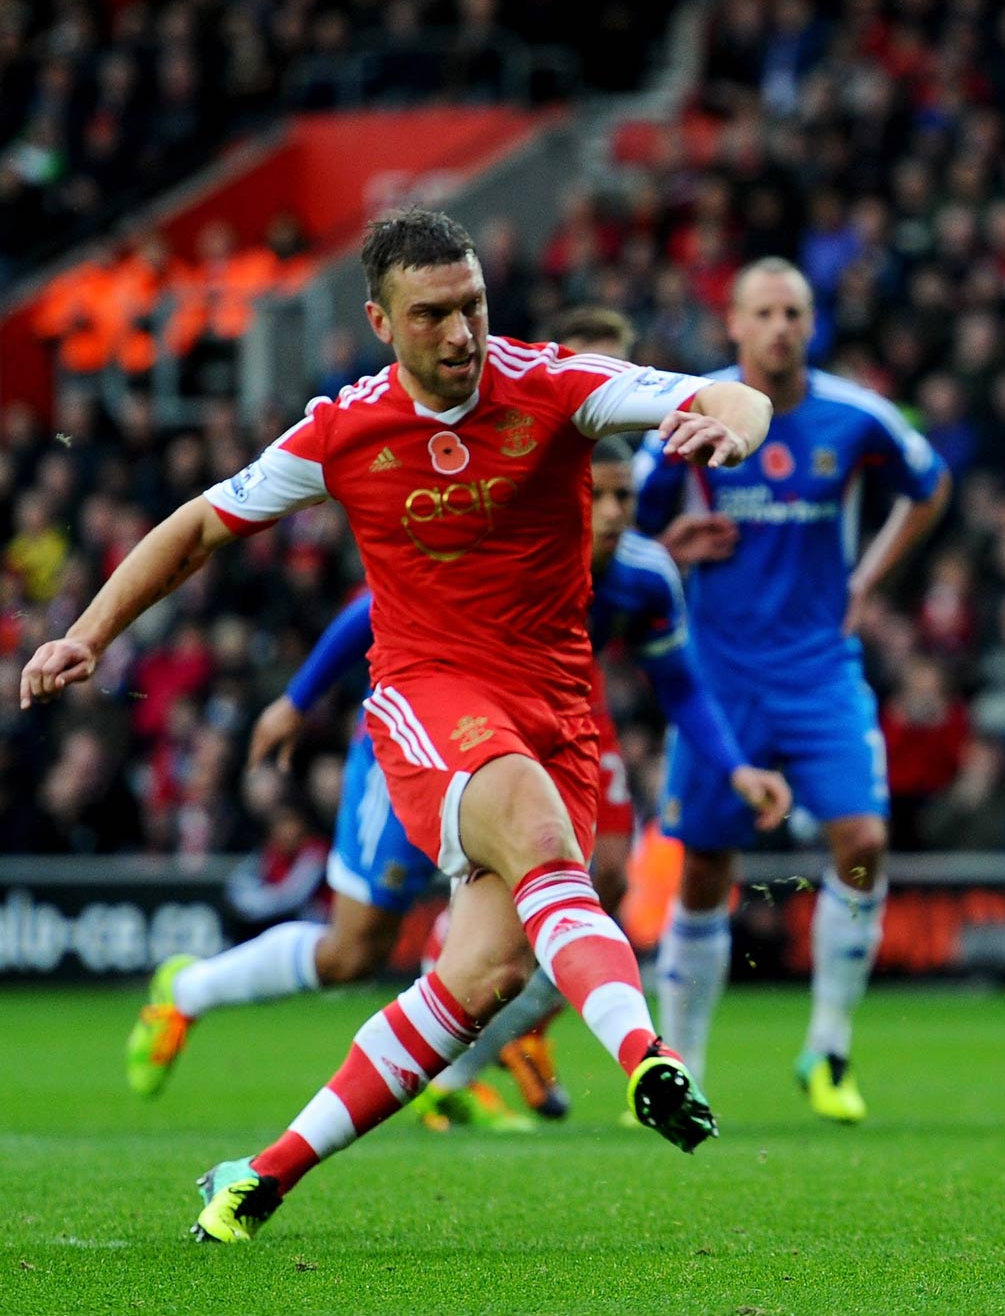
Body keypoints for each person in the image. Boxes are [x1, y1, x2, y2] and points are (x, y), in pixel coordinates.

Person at [22, 208, 773, 1242]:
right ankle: (645, 1056)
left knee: (483, 975)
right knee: (526, 859)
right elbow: (200, 525)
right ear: (380, 321)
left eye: (471, 305)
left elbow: (723, 390)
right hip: (432, 700)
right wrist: (89, 634)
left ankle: (259, 1177)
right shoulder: (343, 429)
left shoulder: (550, 383)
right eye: (433, 316)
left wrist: (733, 424)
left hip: (555, 713)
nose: (462, 334)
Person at [121, 440, 793, 1129]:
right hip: (414, 744)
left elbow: (680, 684)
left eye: (627, 497)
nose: (619, 513)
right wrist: (297, 701)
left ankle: (466, 1072)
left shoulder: (644, 576)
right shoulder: (507, 544)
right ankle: (188, 990)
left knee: (543, 913)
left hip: (520, 746)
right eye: (604, 495)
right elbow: (369, 612)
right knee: (352, 952)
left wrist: (738, 767)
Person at [634, 257, 950, 1122]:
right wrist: (672, 547)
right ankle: (681, 1064)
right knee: (704, 865)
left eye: (795, 312)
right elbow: (629, 516)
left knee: (863, 841)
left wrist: (866, 580)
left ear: (813, 323)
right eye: (764, 313)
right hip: (720, 673)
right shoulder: (694, 411)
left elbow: (929, 486)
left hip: (819, 671)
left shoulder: (854, 417)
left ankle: (828, 1048)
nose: (781, 327)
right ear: (733, 324)